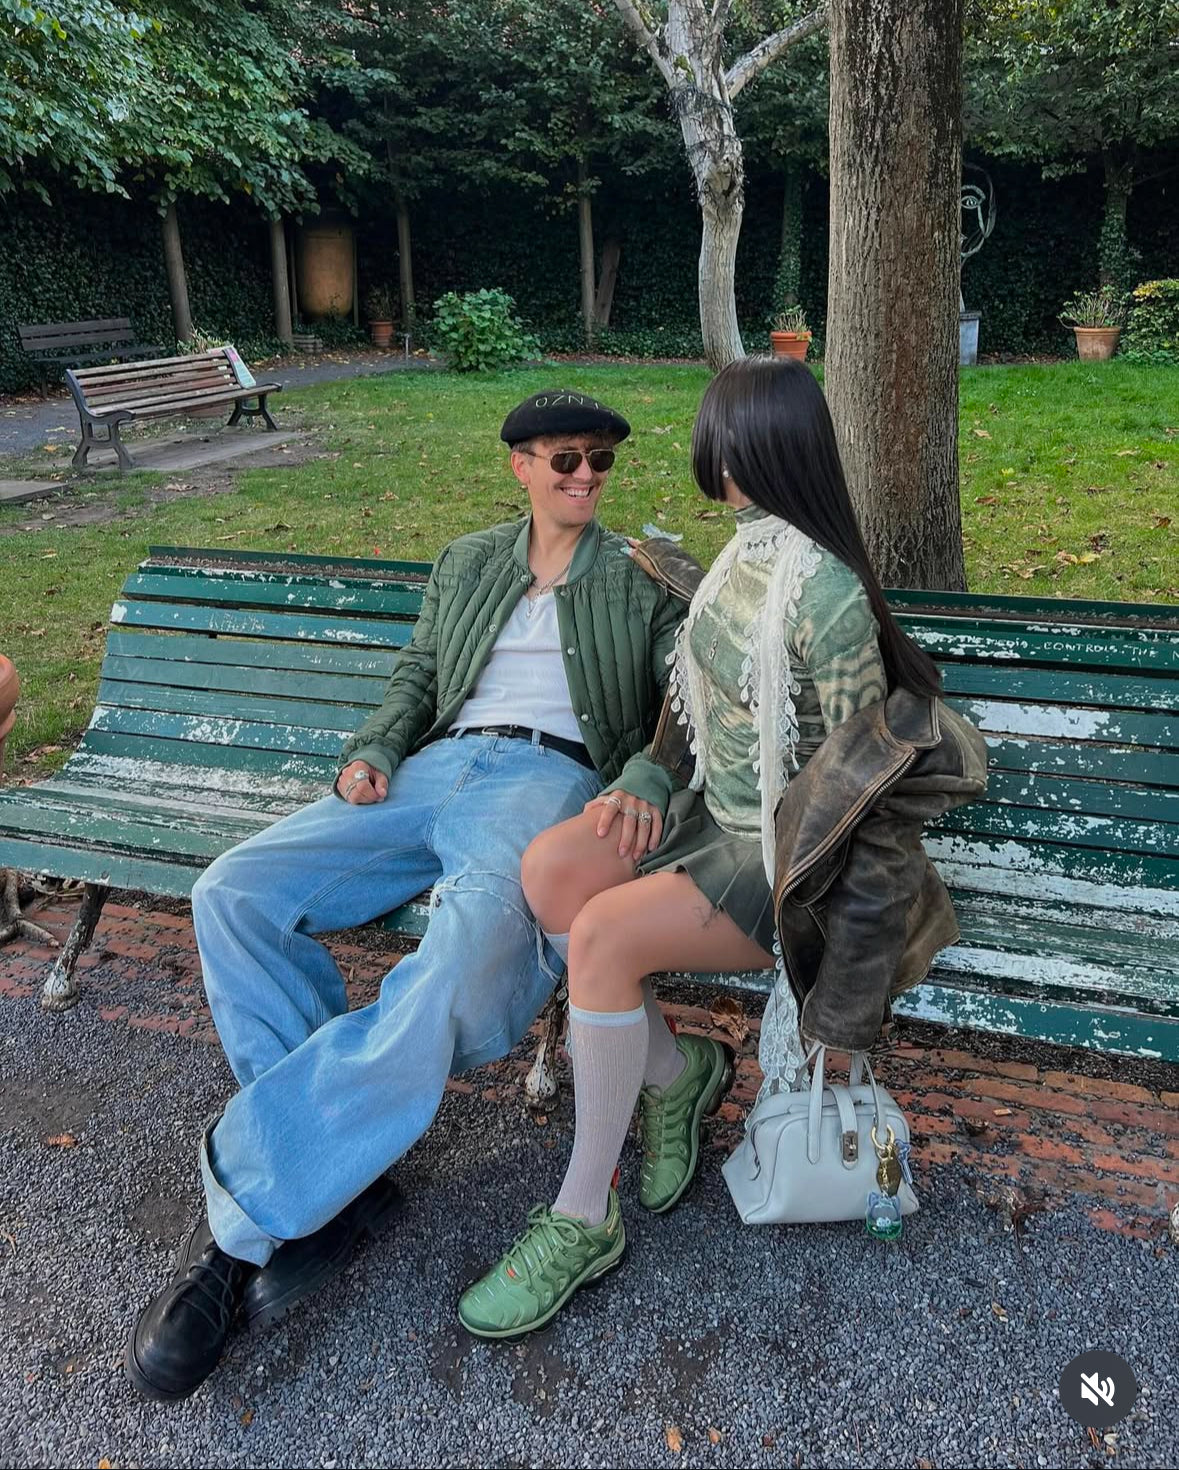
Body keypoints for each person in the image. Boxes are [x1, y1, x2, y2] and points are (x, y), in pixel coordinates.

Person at [125, 389, 691, 1402]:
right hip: (429, 771)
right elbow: (420, 674)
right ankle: (336, 1170)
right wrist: (376, 748)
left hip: (546, 783)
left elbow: (684, 701)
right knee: (234, 893)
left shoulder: (637, 575)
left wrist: (647, 775)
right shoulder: (468, 561)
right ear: (521, 465)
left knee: (454, 970)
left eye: (602, 461)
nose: (586, 477)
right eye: (566, 459)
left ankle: (246, 1230)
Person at [458, 356, 987, 1339]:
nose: (712, 461)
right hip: (710, 817)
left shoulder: (824, 595)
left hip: (783, 867)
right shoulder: (744, 555)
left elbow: (869, 812)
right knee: (551, 873)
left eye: (723, 443)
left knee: (602, 940)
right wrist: (649, 777)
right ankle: (675, 1076)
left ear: (765, 453)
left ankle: (582, 1214)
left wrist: (844, 1012)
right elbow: (692, 701)